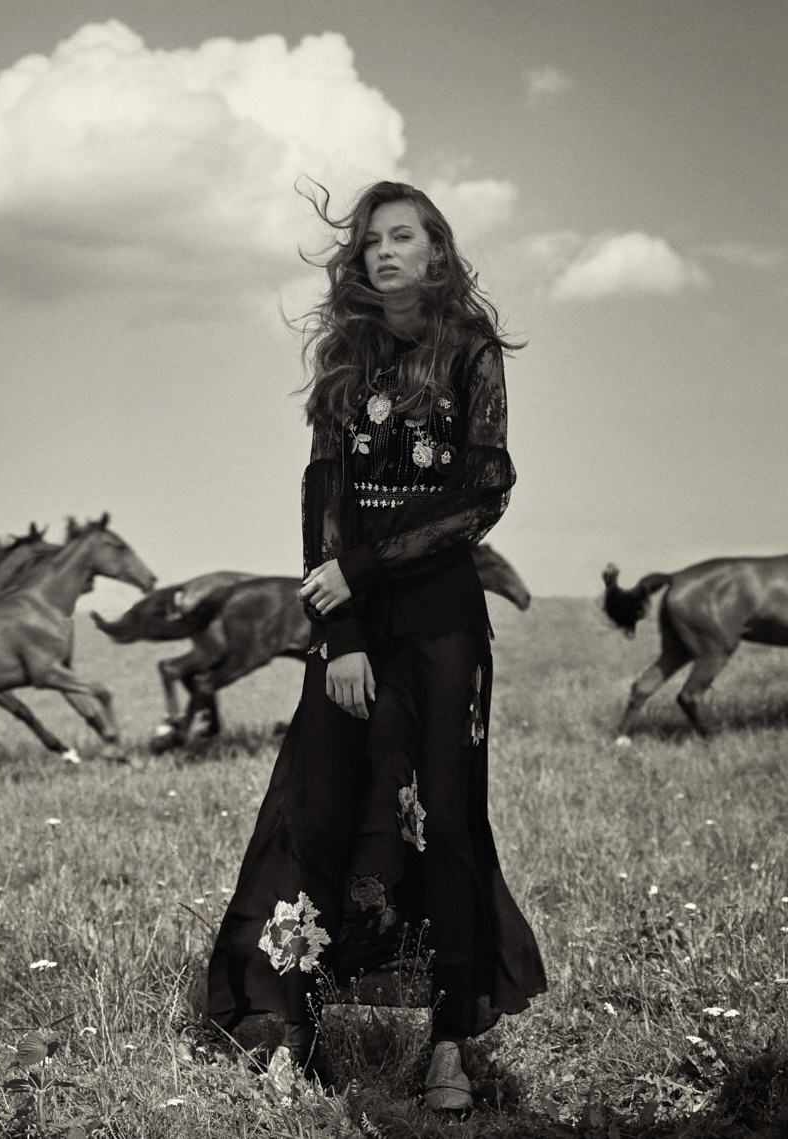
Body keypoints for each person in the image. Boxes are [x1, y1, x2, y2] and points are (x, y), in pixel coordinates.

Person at [204, 181, 546, 1111]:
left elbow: (483, 494)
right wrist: (343, 630)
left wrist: (359, 569)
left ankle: (448, 1046)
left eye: (404, 237)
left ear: (437, 252)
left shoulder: (472, 350)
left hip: (442, 627)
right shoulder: (345, 360)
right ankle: (292, 1028)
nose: (384, 252)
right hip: (355, 632)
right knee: (316, 807)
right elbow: (322, 499)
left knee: (444, 817)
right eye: (371, 242)